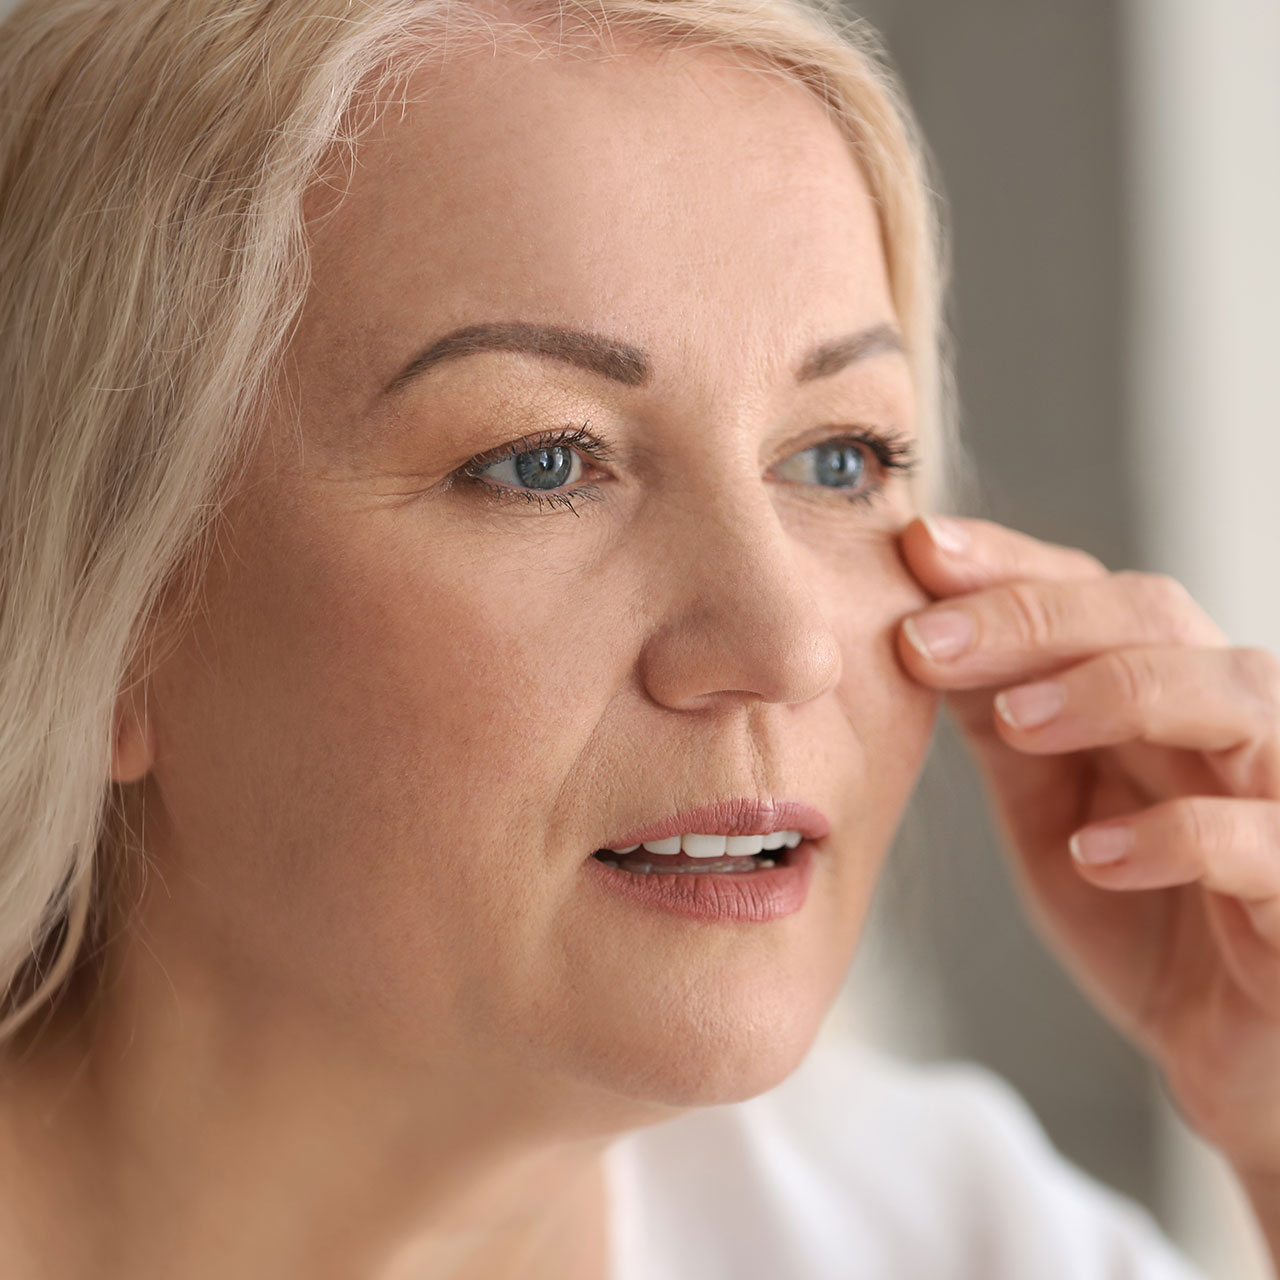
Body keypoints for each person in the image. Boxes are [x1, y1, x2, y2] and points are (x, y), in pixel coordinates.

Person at [1, 1, 1278, 1277]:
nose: (784, 645)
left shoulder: (951, 1235)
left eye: (839, 458)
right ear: (102, 615)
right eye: (542, 460)